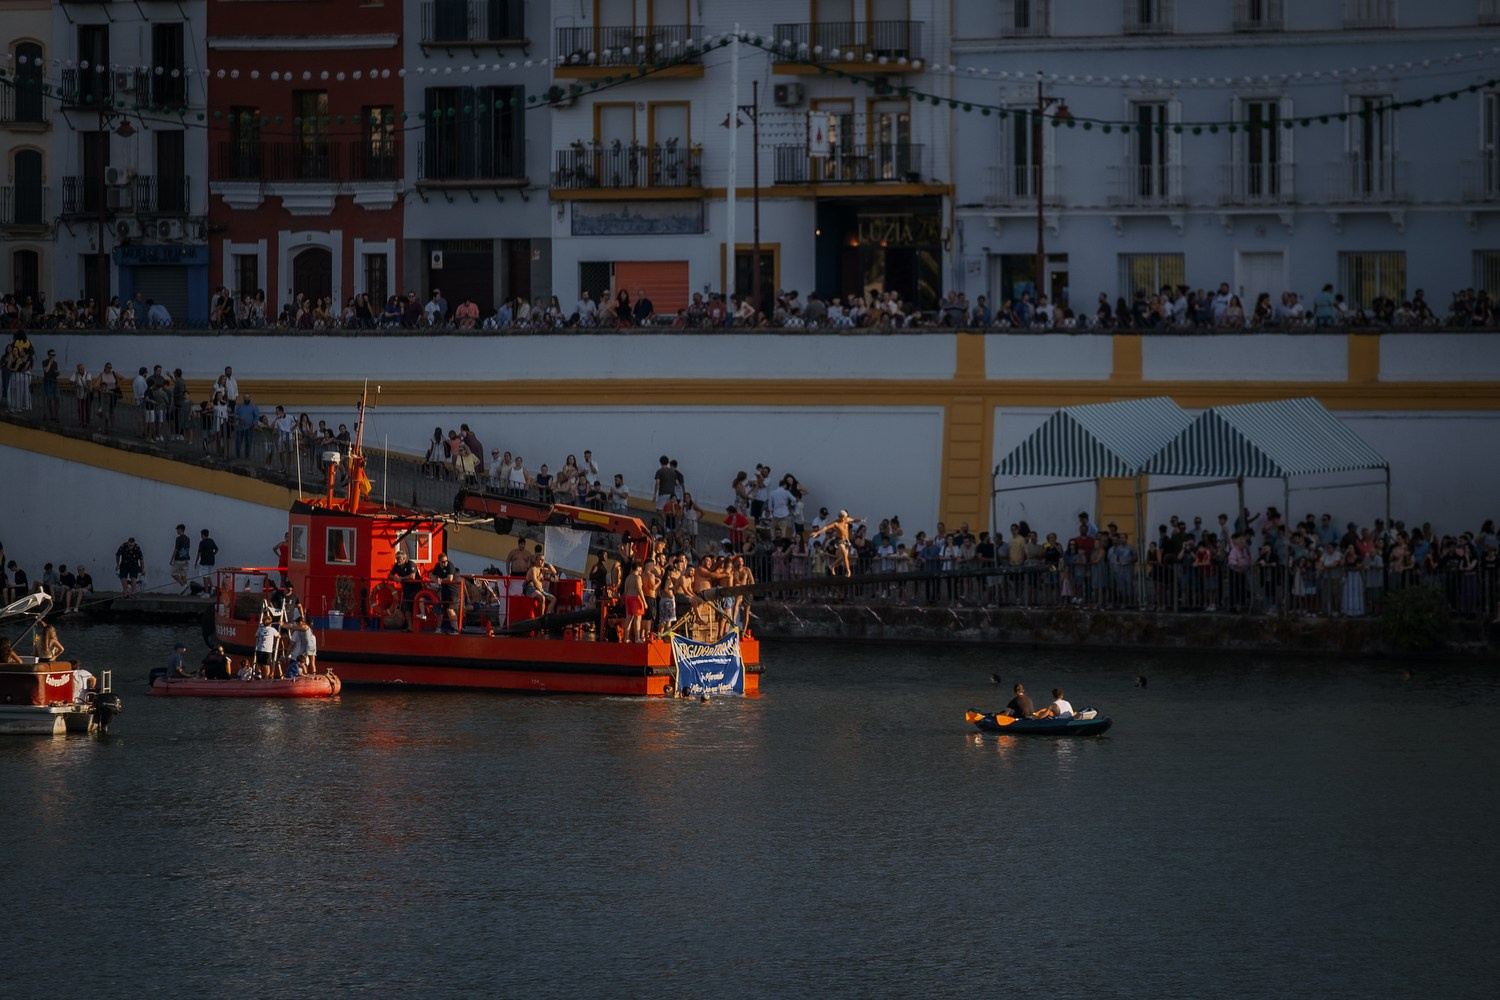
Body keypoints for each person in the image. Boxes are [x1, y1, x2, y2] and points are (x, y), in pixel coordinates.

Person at [809, 509, 863, 577]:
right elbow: (826, 527)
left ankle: (845, 569)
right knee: (843, 552)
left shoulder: (849, 522)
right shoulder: (836, 523)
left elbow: (855, 522)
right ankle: (834, 566)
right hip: (839, 540)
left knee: (845, 554)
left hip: (846, 541)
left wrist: (861, 520)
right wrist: (817, 532)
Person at [430, 551, 463, 632]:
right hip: (444, 589)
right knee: (447, 609)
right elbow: (432, 575)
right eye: (443, 562)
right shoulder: (437, 566)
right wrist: (436, 580)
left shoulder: (450, 565)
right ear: (439, 561)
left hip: (452, 590)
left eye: (446, 561)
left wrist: (440, 580)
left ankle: (455, 628)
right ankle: (453, 627)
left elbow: (450, 578)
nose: (445, 563)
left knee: (450, 609)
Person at [620, 561, 646, 643]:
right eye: (640, 567)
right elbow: (639, 589)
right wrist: (644, 602)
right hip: (635, 598)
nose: (641, 569)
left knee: (629, 618)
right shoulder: (637, 577)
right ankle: (637, 638)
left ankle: (626, 637)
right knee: (637, 618)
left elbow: (625, 590)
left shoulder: (628, 578)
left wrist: (627, 598)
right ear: (638, 568)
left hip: (628, 598)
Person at [169, 523, 193, 593]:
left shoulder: (178, 539)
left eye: (177, 530)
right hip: (186, 558)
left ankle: (183, 585)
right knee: (183, 574)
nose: (177, 531)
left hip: (179, 559)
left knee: (173, 573)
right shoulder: (187, 538)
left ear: (180, 530)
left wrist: (172, 559)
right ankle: (185, 591)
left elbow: (176, 549)